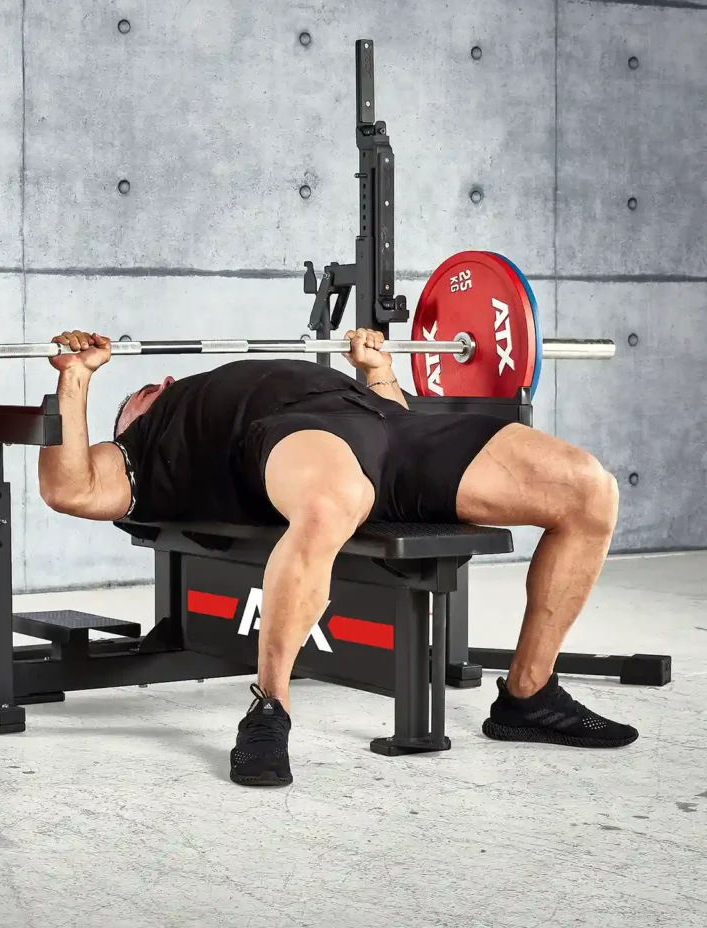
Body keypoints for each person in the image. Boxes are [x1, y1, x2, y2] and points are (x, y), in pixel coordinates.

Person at [37, 327, 637, 787]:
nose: (156, 385)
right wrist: (76, 380)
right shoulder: (148, 444)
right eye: (139, 394)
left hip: (392, 428)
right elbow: (72, 489)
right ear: (131, 419)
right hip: (297, 434)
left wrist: (378, 370)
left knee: (589, 489)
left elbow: (393, 412)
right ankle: (269, 708)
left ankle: (527, 696)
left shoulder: (188, 398)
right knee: (331, 504)